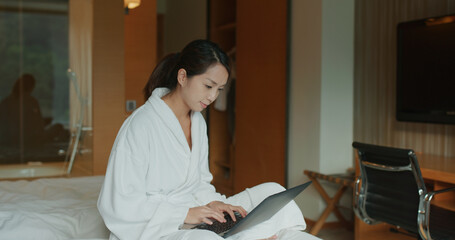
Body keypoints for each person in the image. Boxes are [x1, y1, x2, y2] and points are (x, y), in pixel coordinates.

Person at [97, 40, 318, 240]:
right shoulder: (141, 125)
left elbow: (200, 183)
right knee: (205, 239)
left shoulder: (198, 122)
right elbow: (119, 204)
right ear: (182, 77)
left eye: (220, 89)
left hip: (198, 213)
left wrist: (214, 203)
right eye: (208, 86)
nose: (213, 97)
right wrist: (185, 214)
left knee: (273, 191)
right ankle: (250, 234)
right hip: (158, 226)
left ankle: (243, 232)